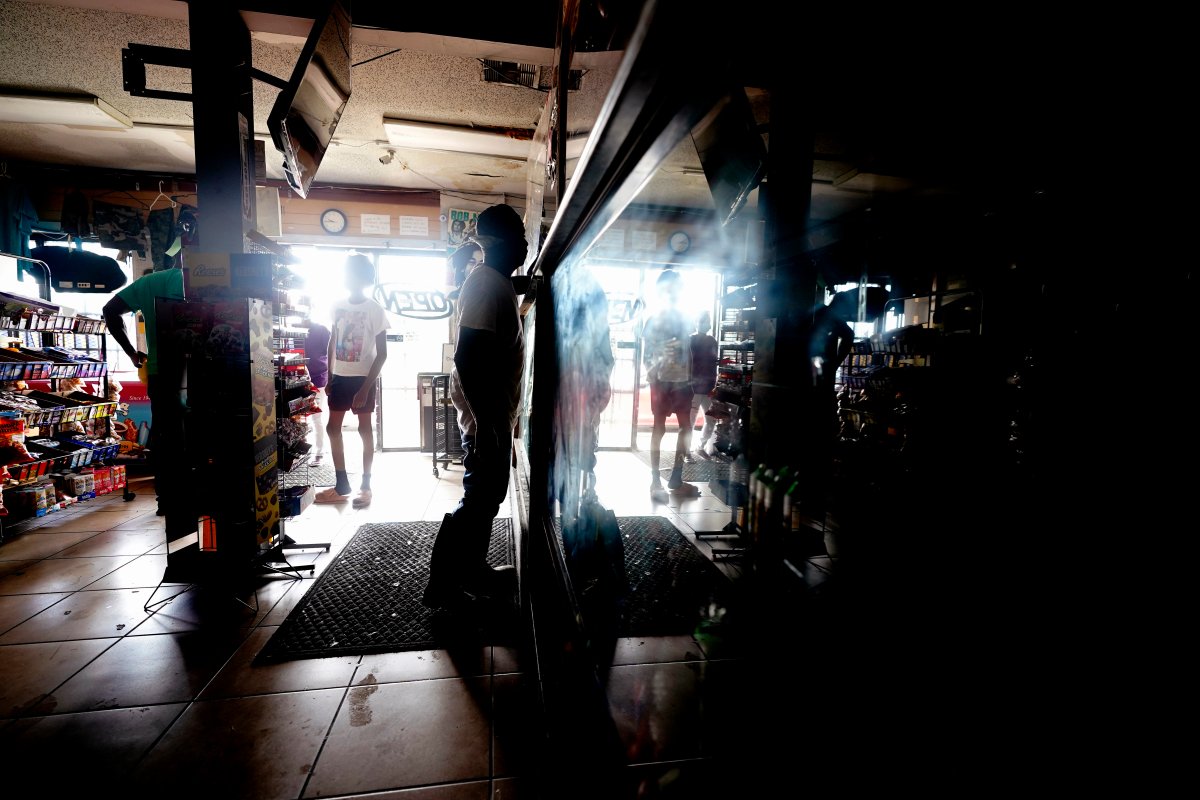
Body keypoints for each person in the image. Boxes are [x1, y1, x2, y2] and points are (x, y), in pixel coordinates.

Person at [423, 203, 527, 610]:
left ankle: (472, 568)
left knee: (486, 496)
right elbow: (469, 356)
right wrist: (489, 424)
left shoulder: (495, 281)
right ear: (501, 243)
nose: (524, 244)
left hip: (494, 415)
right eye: (518, 235)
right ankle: (443, 585)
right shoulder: (485, 283)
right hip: (487, 418)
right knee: (479, 497)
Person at [101, 265, 186, 519]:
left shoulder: (150, 282)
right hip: (199, 368)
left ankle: (169, 499)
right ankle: (200, 495)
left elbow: (110, 310)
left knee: (167, 435)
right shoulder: (201, 276)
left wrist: (130, 351)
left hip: (163, 371)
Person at [313, 254, 389, 509]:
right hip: (340, 377)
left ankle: (366, 486)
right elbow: (333, 342)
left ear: (362, 278)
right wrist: (330, 375)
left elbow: (383, 353)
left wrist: (366, 387)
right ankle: (341, 484)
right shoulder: (336, 305)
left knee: (364, 430)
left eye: (350, 273)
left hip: (362, 378)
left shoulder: (374, 309)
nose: (346, 278)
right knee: (332, 428)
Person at [641, 268, 698, 502]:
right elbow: (647, 356)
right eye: (673, 286)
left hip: (682, 382)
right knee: (659, 429)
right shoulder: (654, 320)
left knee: (686, 428)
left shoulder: (685, 318)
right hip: (663, 382)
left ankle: (676, 475)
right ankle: (655, 479)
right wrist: (653, 372)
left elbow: (688, 349)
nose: (676, 291)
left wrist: (692, 377)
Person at [688, 309, 720, 460]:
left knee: (709, 420)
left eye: (706, 321)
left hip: (705, 388)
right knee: (691, 421)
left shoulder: (709, 341)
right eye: (703, 321)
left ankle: (697, 448)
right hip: (696, 387)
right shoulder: (692, 340)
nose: (705, 324)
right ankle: (688, 450)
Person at [303, 317, 332, 465]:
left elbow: (329, 353)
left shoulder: (322, 330)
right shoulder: (297, 329)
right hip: (300, 378)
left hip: (319, 378)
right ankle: (302, 451)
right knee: (300, 416)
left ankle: (319, 452)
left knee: (316, 417)